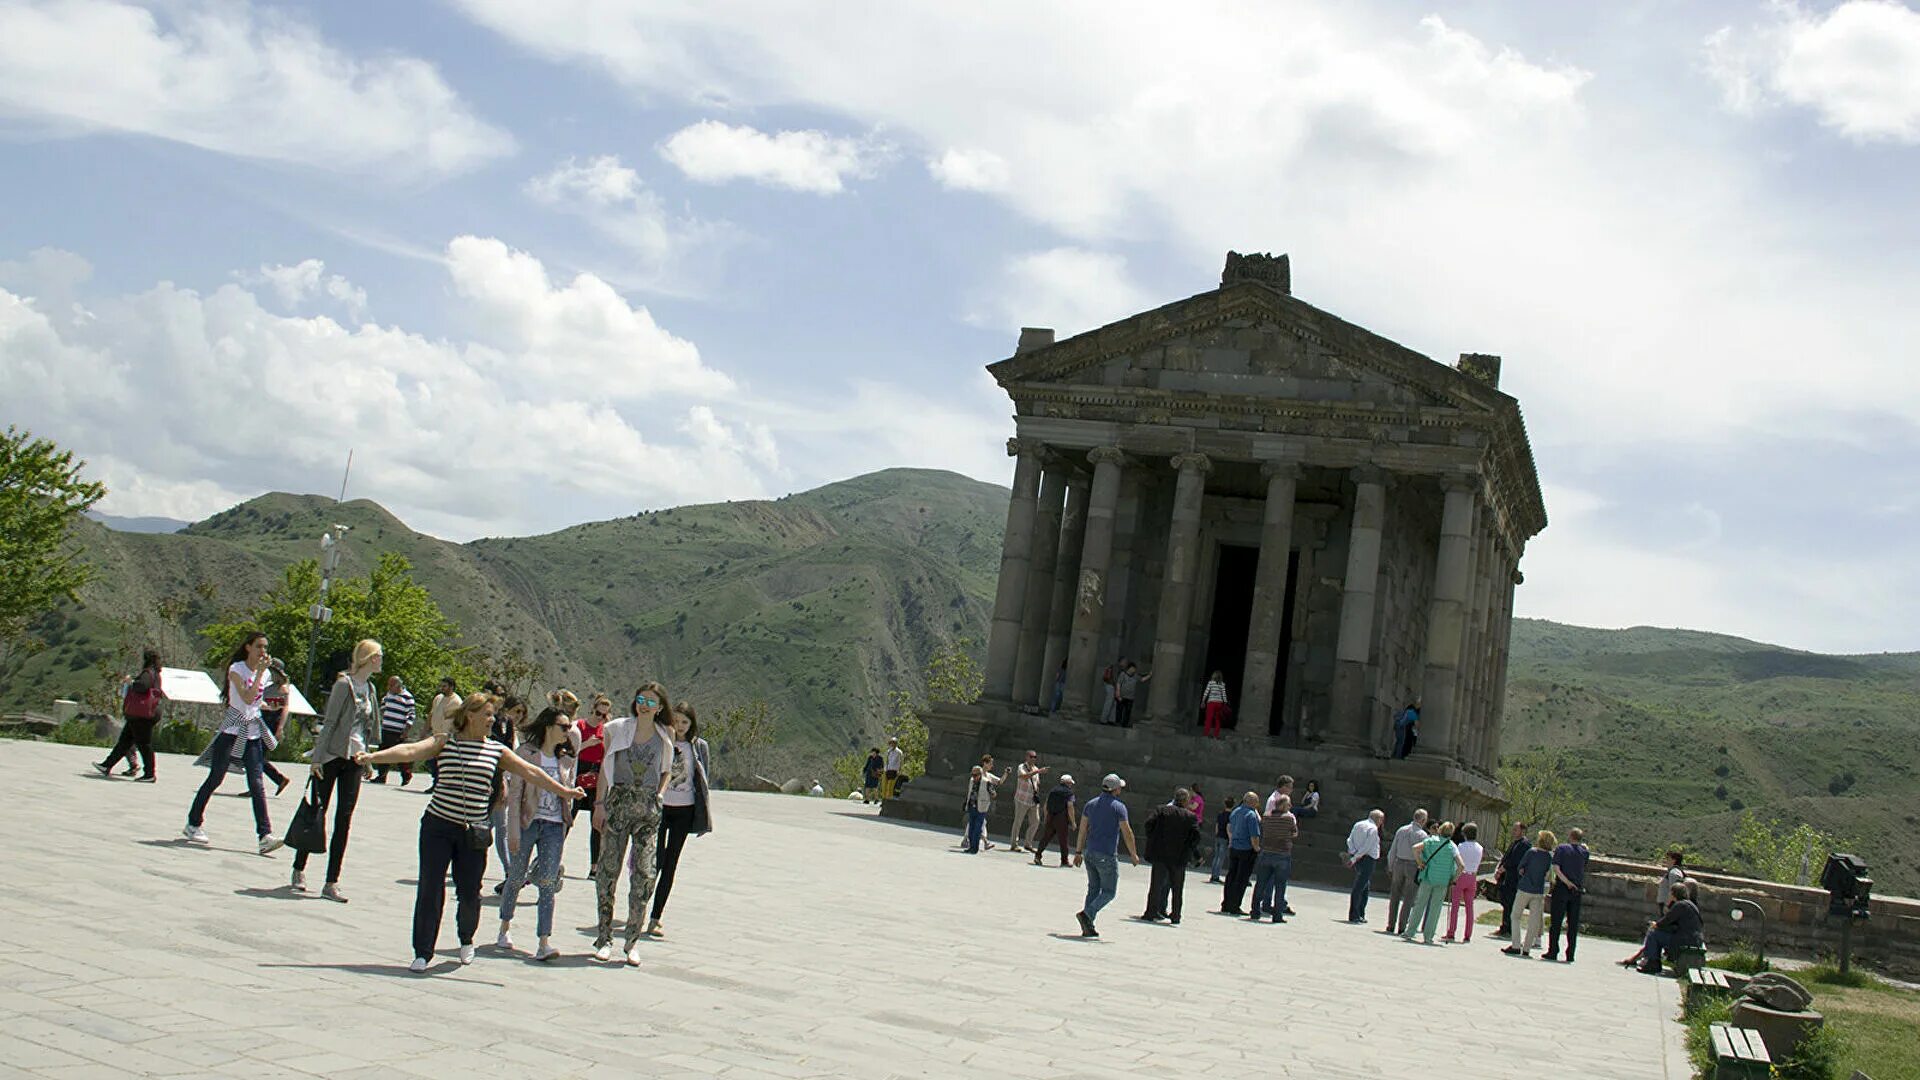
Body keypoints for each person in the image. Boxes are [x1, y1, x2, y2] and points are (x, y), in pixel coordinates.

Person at [355, 692, 584, 973]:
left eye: (493, 715)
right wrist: (372, 756)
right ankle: (423, 952)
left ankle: (466, 939)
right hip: (438, 825)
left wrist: (564, 791)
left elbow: (531, 772)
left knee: (469, 892)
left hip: (474, 831)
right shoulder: (444, 741)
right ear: (470, 716)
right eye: (487, 714)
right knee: (430, 888)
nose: (492, 720)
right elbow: (410, 750)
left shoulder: (496, 750)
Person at [290, 639, 383, 902]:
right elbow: (329, 723)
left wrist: (368, 761)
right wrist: (317, 759)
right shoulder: (345, 685)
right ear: (368, 658)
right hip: (332, 756)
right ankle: (299, 867)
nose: (381, 660)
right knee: (318, 812)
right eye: (379, 656)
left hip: (355, 758)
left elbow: (366, 728)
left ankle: (332, 881)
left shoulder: (371, 689)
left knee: (345, 818)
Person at [592, 683, 675, 965]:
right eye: (641, 700)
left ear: (661, 707)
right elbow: (606, 765)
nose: (645, 706)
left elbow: (666, 769)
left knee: (643, 874)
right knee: (608, 871)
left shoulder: (666, 735)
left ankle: (632, 940)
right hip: (618, 802)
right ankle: (604, 937)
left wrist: (660, 795)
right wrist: (599, 804)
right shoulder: (617, 728)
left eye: (651, 702)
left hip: (648, 807)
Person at [182, 632, 284, 854]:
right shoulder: (237, 669)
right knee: (216, 777)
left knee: (256, 782)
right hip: (232, 729)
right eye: (259, 647)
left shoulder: (264, 674)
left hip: (253, 732)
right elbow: (246, 697)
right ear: (248, 647)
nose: (262, 652)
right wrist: (259, 676)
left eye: (265, 648)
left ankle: (264, 834)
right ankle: (193, 822)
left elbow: (255, 701)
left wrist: (268, 706)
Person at [496, 705, 578, 961]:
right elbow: (516, 793)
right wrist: (513, 832)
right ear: (548, 727)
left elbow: (567, 790)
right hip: (528, 821)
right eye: (563, 727)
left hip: (554, 824)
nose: (568, 731)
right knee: (517, 876)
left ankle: (544, 941)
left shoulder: (566, 758)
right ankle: (504, 926)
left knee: (548, 882)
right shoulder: (527, 754)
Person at [647, 704, 713, 938]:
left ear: (691, 724)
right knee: (655, 860)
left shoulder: (698, 747)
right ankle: (639, 907)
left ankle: (656, 917)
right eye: (676, 721)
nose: (680, 726)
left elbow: (703, 779)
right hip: (660, 807)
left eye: (685, 722)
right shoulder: (661, 741)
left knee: (671, 862)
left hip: (684, 810)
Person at [1072, 774, 1138, 937]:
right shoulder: (1119, 807)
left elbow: (1082, 829)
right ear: (1115, 789)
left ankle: (1088, 926)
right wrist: (1133, 854)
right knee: (1109, 892)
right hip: (1106, 854)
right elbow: (1127, 832)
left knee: (1093, 889)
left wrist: (1078, 851)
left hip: (1090, 852)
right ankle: (1087, 915)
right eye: (1119, 787)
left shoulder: (1091, 804)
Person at [98, 649, 164, 781]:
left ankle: (150, 774)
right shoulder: (156, 674)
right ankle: (107, 765)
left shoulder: (147, 673)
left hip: (141, 715)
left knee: (144, 744)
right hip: (145, 713)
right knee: (124, 742)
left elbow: (142, 686)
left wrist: (131, 682)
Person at [1620, 850, 1690, 968]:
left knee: (1656, 930)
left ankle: (1645, 959)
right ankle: (1641, 957)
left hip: (1669, 909)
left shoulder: (1674, 873)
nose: (1665, 861)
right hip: (1667, 908)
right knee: (1655, 930)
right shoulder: (1672, 872)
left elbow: (1676, 891)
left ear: (1673, 860)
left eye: (1667, 858)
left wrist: (1669, 907)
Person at [1140, 788, 1200, 923]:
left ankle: (1151, 912)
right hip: (1179, 857)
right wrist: (1187, 848)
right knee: (1177, 888)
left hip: (1160, 854)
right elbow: (1195, 837)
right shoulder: (1190, 817)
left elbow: (1149, 824)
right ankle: (1176, 915)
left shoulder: (1161, 810)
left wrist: (1154, 840)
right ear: (1186, 801)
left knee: (1156, 885)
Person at [488, 696, 527, 886]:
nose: (519, 715)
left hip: (510, 783)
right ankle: (510, 871)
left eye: (522, 712)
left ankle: (510, 871)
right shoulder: (498, 726)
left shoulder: (512, 729)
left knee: (492, 827)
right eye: (516, 710)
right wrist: (502, 781)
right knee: (500, 828)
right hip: (498, 783)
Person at [1403, 821, 1462, 945]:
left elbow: (1415, 849)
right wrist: (1454, 879)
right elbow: (1461, 865)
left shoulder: (1430, 841)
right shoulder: (1452, 846)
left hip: (1428, 877)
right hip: (1443, 880)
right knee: (1435, 908)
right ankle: (1428, 936)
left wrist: (1420, 863)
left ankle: (1410, 931)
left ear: (1440, 830)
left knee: (1419, 905)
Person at [1502, 829, 1558, 957]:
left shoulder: (1532, 852)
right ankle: (1527, 948)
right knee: (1534, 920)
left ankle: (1516, 945)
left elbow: (1520, 867)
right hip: (1538, 890)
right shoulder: (1549, 856)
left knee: (1515, 916)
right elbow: (1549, 875)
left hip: (1525, 887)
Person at [1250, 794, 1299, 924]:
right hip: (1282, 854)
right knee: (1280, 886)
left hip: (1266, 852)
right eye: (1288, 804)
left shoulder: (1266, 817)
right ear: (1283, 805)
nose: (1290, 807)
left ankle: (1255, 911)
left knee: (1260, 884)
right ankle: (1277, 915)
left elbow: (1263, 829)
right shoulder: (1289, 818)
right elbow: (1294, 833)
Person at [569, 691, 604, 872]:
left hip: (597, 774)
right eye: (598, 713)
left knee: (596, 821)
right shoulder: (579, 726)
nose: (600, 718)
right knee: (569, 815)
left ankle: (594, 866)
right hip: (580, 771)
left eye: (604, 715)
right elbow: (571, 751)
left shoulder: (606, 730)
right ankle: (554, 855)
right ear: (592, 710)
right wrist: (588, 744)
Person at [1635, 883, 1703, 975]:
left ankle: (1653, 963)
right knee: (1657, 933)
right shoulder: (1689, 904)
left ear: (1673, 893)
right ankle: (1653, 960)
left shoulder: (1680, 905)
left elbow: (1666, 921)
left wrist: (1655, 924)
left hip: (1685, 940)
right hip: (1693, 939)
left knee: (1653, 934)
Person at [1544, 827, 1589, 962]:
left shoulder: (1562, 849)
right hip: (1577, 890)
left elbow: (1556, 868)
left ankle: (1553, 950)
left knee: (1556, 921)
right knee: (1573, 923)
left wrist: (1567, 882)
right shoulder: (1584, 852)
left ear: (1570, 836)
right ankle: (1570, 953)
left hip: (1563, 888)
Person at [1382, 808, 1429, 935]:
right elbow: (1423, 854)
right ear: (1423, 820)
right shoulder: (1422, 835)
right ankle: (1402, 926)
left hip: (1399, 862)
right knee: (1409, 897)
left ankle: (1390, 924)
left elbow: (1393, 850)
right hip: (1413, 865)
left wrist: (1390, 866)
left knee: (1395, 895)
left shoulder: (1401, 830)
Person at [1219, 792, 1261, 915]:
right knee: (1241, 879)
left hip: (1234, 848)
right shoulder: (1251, 815)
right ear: (1252, 802)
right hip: (1246, 849)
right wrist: (1257, 848)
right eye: (1257, 801)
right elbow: (1254, 835)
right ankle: (1235, 905)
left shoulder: (1236, 811)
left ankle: (1226, 903)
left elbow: (1230, 828)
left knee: (1231, 876)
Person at [1443, 822, 1484, 943]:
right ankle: (1468, 934)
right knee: (1469, 907)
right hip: (1472, 876)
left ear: (1464, 834)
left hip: (1461, 875)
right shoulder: (1480, 848)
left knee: (1455, 905)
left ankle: (1451, 932)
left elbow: (1457, 862)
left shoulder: (1461, 846)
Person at [1344, 809, 1385, 923]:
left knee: (1365, 886)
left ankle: (1361, 912)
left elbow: (1349, 840)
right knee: (1359, 886)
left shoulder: (1358, 824)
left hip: (1358, 856)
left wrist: (1353, 852)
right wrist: (1356, 856)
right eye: (1381, 819)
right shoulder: (1373, 829)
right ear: (1378, 819)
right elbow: (1367, 846)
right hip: (1367, 858)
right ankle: (1354, 914)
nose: (1381, 822)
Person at [372, 676, 416, 785]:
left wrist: (406, 730)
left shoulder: (407, 697)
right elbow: (383, 705)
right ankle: (381, 776)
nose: (389, 687)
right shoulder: (388, 695)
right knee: (383, 753)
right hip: (386, 728)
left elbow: (411, 715)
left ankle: (406, 775)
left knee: (399, 755)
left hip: (398, 731)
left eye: (391, 685)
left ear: (398, 686)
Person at [422, 677, 462, 793]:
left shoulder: (456, 701)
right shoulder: (438, 698)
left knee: (440, 762)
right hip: (435, 735)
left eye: (444, 686)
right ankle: (436, 782)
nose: (442, 688)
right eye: (441, 686)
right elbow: (432, 714)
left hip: (446, 737)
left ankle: (438, 784)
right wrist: (425, 730)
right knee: (431, 761)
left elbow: (455, 721)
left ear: (451, 687)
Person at [1494, 821, 1532, 937]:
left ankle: (1509, 928)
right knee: (1505, 902)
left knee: (1511, 904)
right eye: (1513, 829)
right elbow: (1506, 858)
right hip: (1506, 878)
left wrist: (1503, 869)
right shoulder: (1514, 843)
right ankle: (1504, 926)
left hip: (1514, 879)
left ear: (1522, 831)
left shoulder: (1524, 844)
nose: (1513, 831)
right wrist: (1499, 869)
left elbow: (1515, 860)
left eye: (1516, 829)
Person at [1032, 774, 1077, 867]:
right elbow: (1070, 806)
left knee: (1045, 838)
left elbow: (1046, 805)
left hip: (1051, 816)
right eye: (1070, 783)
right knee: (1063, 840)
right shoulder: (1069, 793)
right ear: (1068, 783)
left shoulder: (1053, 791)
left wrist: (1046, 817)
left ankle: (1038, 855)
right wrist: (1073, 822)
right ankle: (1064, 861)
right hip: (1062, 818)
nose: (1071, 785)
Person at [1008, 750, 1047, 852]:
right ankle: (1014, 844)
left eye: (1035, 757)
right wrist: (1037, 772)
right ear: (1027, 757)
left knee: (1036, 821)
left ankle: (1028, 843)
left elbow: (1037, 783)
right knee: (1018, 822)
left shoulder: (1036, 769)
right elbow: (1024, 776)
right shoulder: (1022, 767)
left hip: (1032, 800)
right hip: (1021, 799)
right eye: (1031, 756)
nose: (1033, 758)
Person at [960, 762, 999, 854]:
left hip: (981, 808)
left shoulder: (986, 782)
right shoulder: (971, 781)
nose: (974, 777)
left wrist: (990, 796)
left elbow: (993, 793)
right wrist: (966, 803)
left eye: (975, 775)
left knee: (977, 829)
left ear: (980, 774)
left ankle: (975, 848)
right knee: (971, 829)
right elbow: (969, 792)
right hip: (972, 806)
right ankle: (971, 847)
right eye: (972, 775)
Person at [1111, 662, 1147, 728]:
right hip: (1122, 696)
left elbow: (1142, 679)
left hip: (1130, 697)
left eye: (1135, 669)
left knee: (1127, 712)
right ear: (1130, 668)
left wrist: (1149, 675)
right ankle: (1118, 722)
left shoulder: (1135, 676)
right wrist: (1118, 692)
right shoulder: (1123, 674)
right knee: (1119, 710)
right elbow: (1118, 683)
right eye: (1133, 669)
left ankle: (1125, 724)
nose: (1134, 670)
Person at [1201, 671, 1230, 738]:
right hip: (1219, 703)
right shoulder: (1222, 684)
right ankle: (1216, 735)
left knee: (1208, 719)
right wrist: (1225, 702)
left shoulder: (1210, 683)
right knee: (1218, 719)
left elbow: (1206, 692)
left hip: (1211, 703)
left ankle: (1206, 734)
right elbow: (1224, 694)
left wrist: (1203, 701)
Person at [1208, 802, 1232, 883]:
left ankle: (1213, 875)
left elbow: (1217, 826)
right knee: (1220, 858)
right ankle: (1216, 876)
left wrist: (1216, 835)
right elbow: (1228, 828)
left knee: (1216, 857)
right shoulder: (1230, 815)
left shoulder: (1220, 814)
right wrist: (1230, 839)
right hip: (1224, 838)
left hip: (1218, 836)